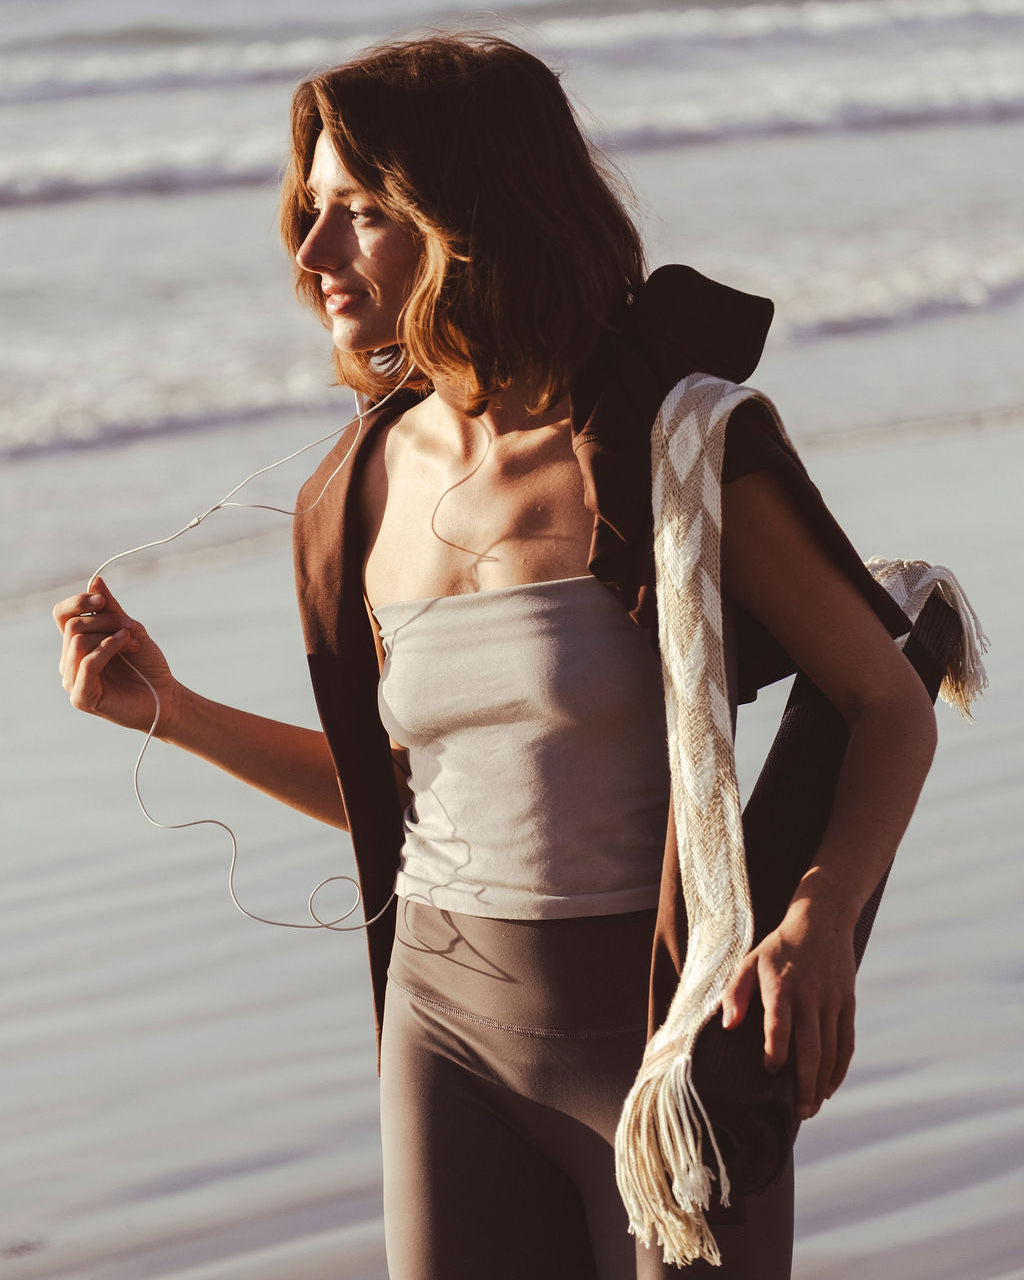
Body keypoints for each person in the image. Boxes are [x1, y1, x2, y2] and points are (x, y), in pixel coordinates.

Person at [54, 34, 938, 1280]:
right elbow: (401, 801)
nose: (311, 258)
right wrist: (172, 710)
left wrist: (821, 916)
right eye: (310, 214)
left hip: (660, 1041)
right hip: (440, 1033)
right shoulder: (356, 486)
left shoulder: (676, 445)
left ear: (469, 211)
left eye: (358, 213)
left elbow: (887, 702)